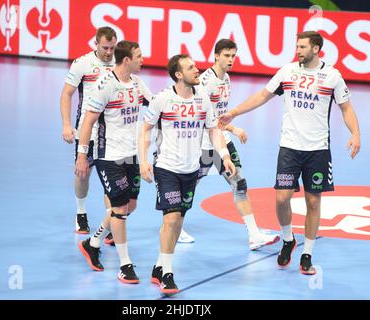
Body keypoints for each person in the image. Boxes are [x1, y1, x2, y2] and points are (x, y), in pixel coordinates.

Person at [219, 31, 360, 275]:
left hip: (317, 150)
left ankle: (308, 254)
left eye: (303, 47)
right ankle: (288, 239)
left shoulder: (332, 76)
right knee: (282, 198)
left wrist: (355, 133)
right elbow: (263, 95)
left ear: (316, 49)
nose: (299, 50)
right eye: (297, 46)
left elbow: (346, 108)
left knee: (313, 202)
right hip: (290, 147)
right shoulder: (288, 72)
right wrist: (235, 112)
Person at [139, 54, 236, 294]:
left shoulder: (202, 98)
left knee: (177, 220)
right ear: (178, 74)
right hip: (166, 167)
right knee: (171, 220)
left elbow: (213, 131)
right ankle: (168, 274)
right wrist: (142, 161)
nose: (197, 69)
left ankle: (158, 266)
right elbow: (145, 129)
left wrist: (224, 155)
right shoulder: (163, 99)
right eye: (191, 67)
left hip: (191, 170)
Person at [191, 38, 279, 250]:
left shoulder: (226, 79)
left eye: (233, 55)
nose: (231, 60)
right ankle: (174, 224)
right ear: (216, 56)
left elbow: (220, 114)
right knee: (189, 186)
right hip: (205, 143)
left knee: (239, 183)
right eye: (227, 56)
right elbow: (206, 118)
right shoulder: (206, 82)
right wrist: (234, 129)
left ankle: (254, 234)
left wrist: (228, 130)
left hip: (223, 141)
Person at [76, 40, 152, 284]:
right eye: (139, 56)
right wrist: (81, 155)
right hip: (108, 156)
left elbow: (156, 106)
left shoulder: (138, 83)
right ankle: (125, 265)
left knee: (130, 206)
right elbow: (88, 121)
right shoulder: (106, 84)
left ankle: (93, 242)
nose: (143, 59)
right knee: (119, 209)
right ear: (127, 60)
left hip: (131, 154)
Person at [60, 26, 116, 238]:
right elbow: (66, 94)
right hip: (88, 130)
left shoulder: (119, 62)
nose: (109, 53)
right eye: (105, 48)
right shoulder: (82, 63)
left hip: (113, 133)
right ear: (96, 44)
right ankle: (81, 212)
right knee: (83, 173)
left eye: (112, 48)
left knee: (111, 177)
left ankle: (110, 221)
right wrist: (66, 125)